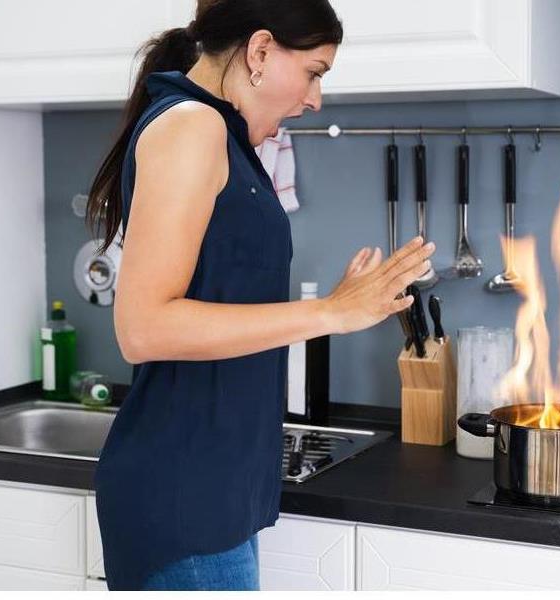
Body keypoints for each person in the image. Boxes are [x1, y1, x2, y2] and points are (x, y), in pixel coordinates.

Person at [85, 0, 435, 591]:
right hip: (183, 499)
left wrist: (334, 308)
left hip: (213, 494)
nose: (315, 99)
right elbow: (142, 328)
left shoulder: (222, 135)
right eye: (315, 72)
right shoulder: (191, 126)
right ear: (261, 50)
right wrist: (328, 312)